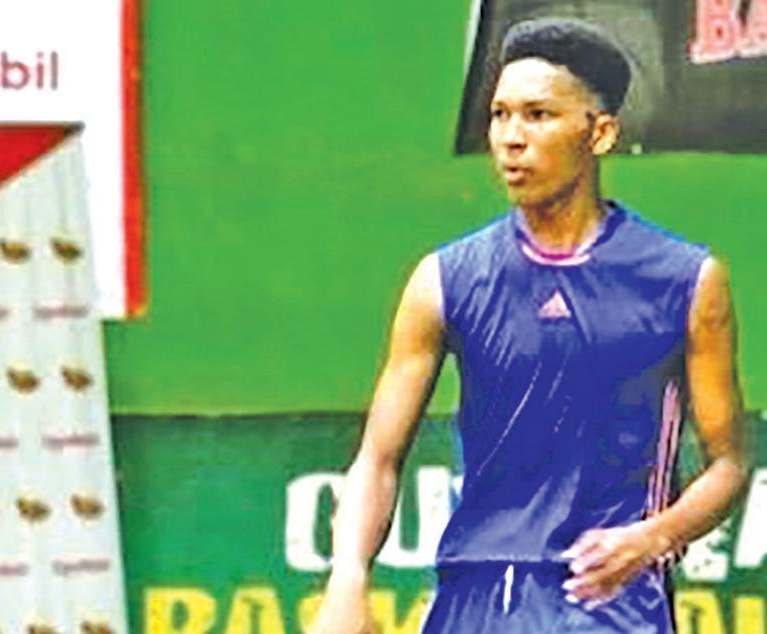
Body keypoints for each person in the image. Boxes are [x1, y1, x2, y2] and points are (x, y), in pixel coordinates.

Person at [309, 17, 750, 634]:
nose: (511, 138)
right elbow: (378, 459)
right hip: (472, 601)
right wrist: (347, 582)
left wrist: (653, 537)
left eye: (538, 115)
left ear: (600, 133)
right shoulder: (444, 279)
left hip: (609, 599)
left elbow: (729, 464)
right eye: (500, 116)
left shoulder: (686, 279)